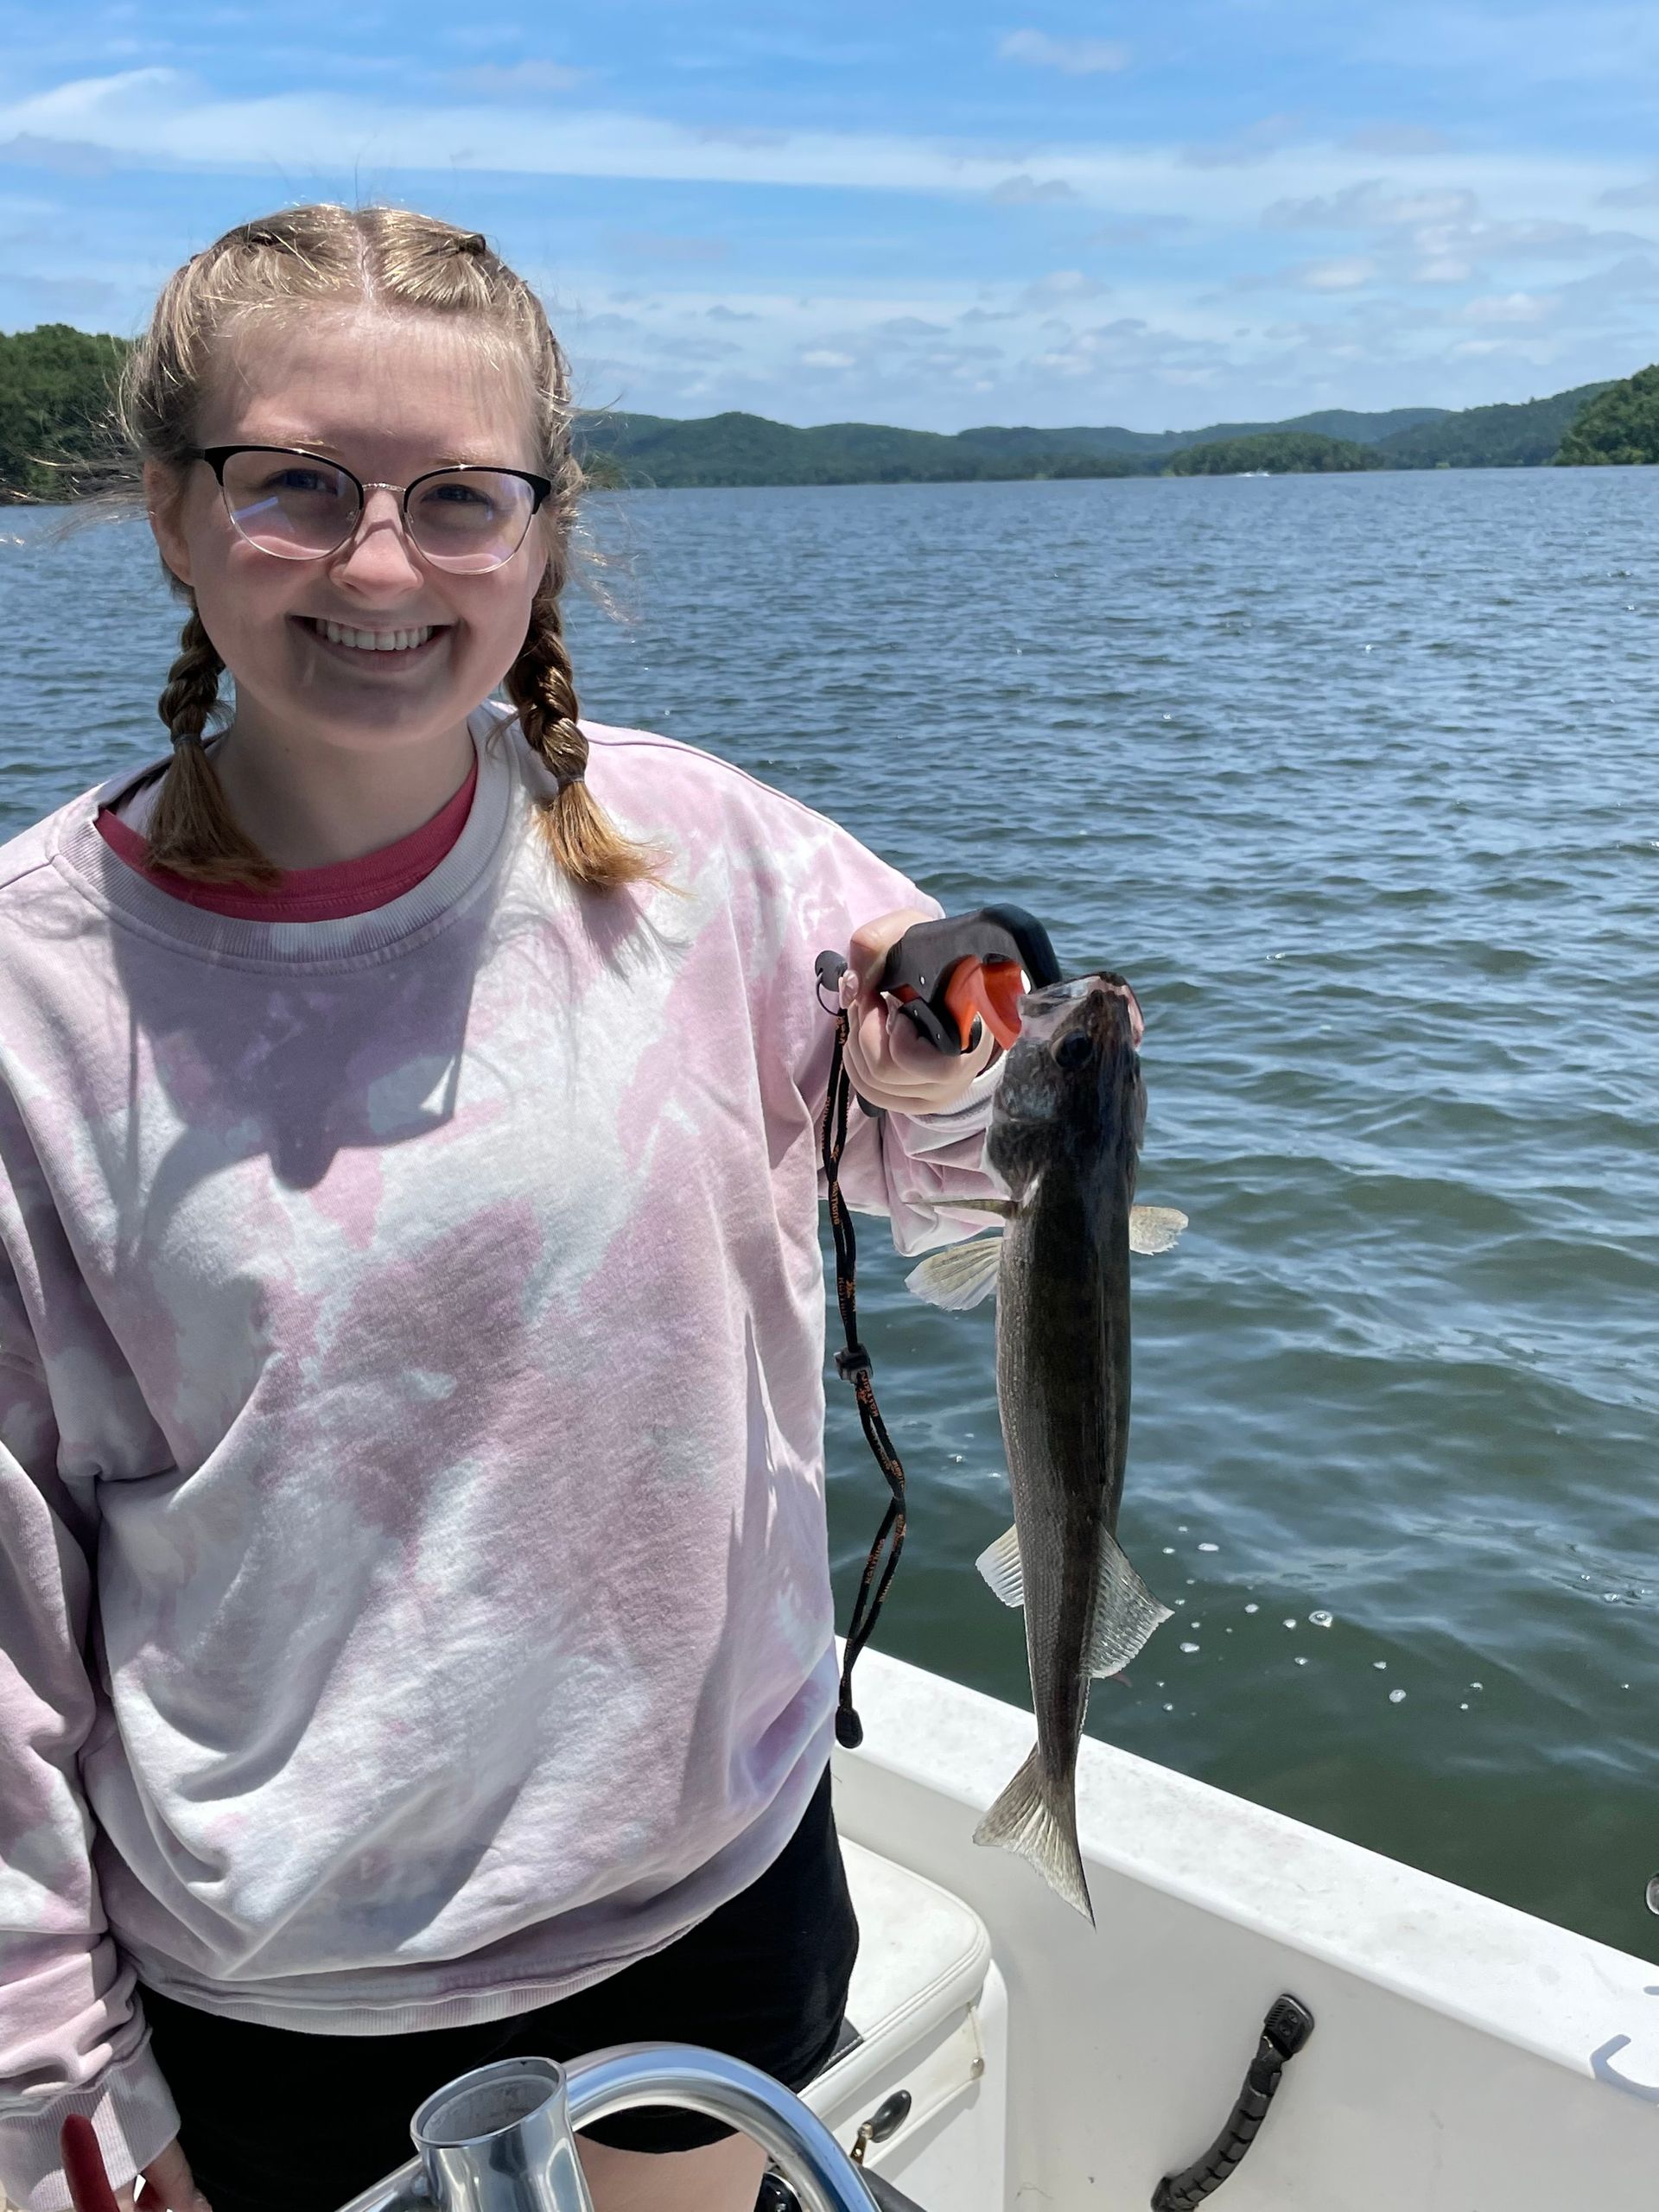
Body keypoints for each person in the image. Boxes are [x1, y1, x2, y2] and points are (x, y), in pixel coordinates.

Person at [0, 206, 1006, 2212]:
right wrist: (62, 2080)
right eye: (296, 484)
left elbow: (945, 1175)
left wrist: (960, 1046)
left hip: (706, 1884)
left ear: (543, 532)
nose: (382, 564)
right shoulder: (36, 993)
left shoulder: (702, 854)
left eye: (461, 497)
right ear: (171, 517)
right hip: (284, 1991)